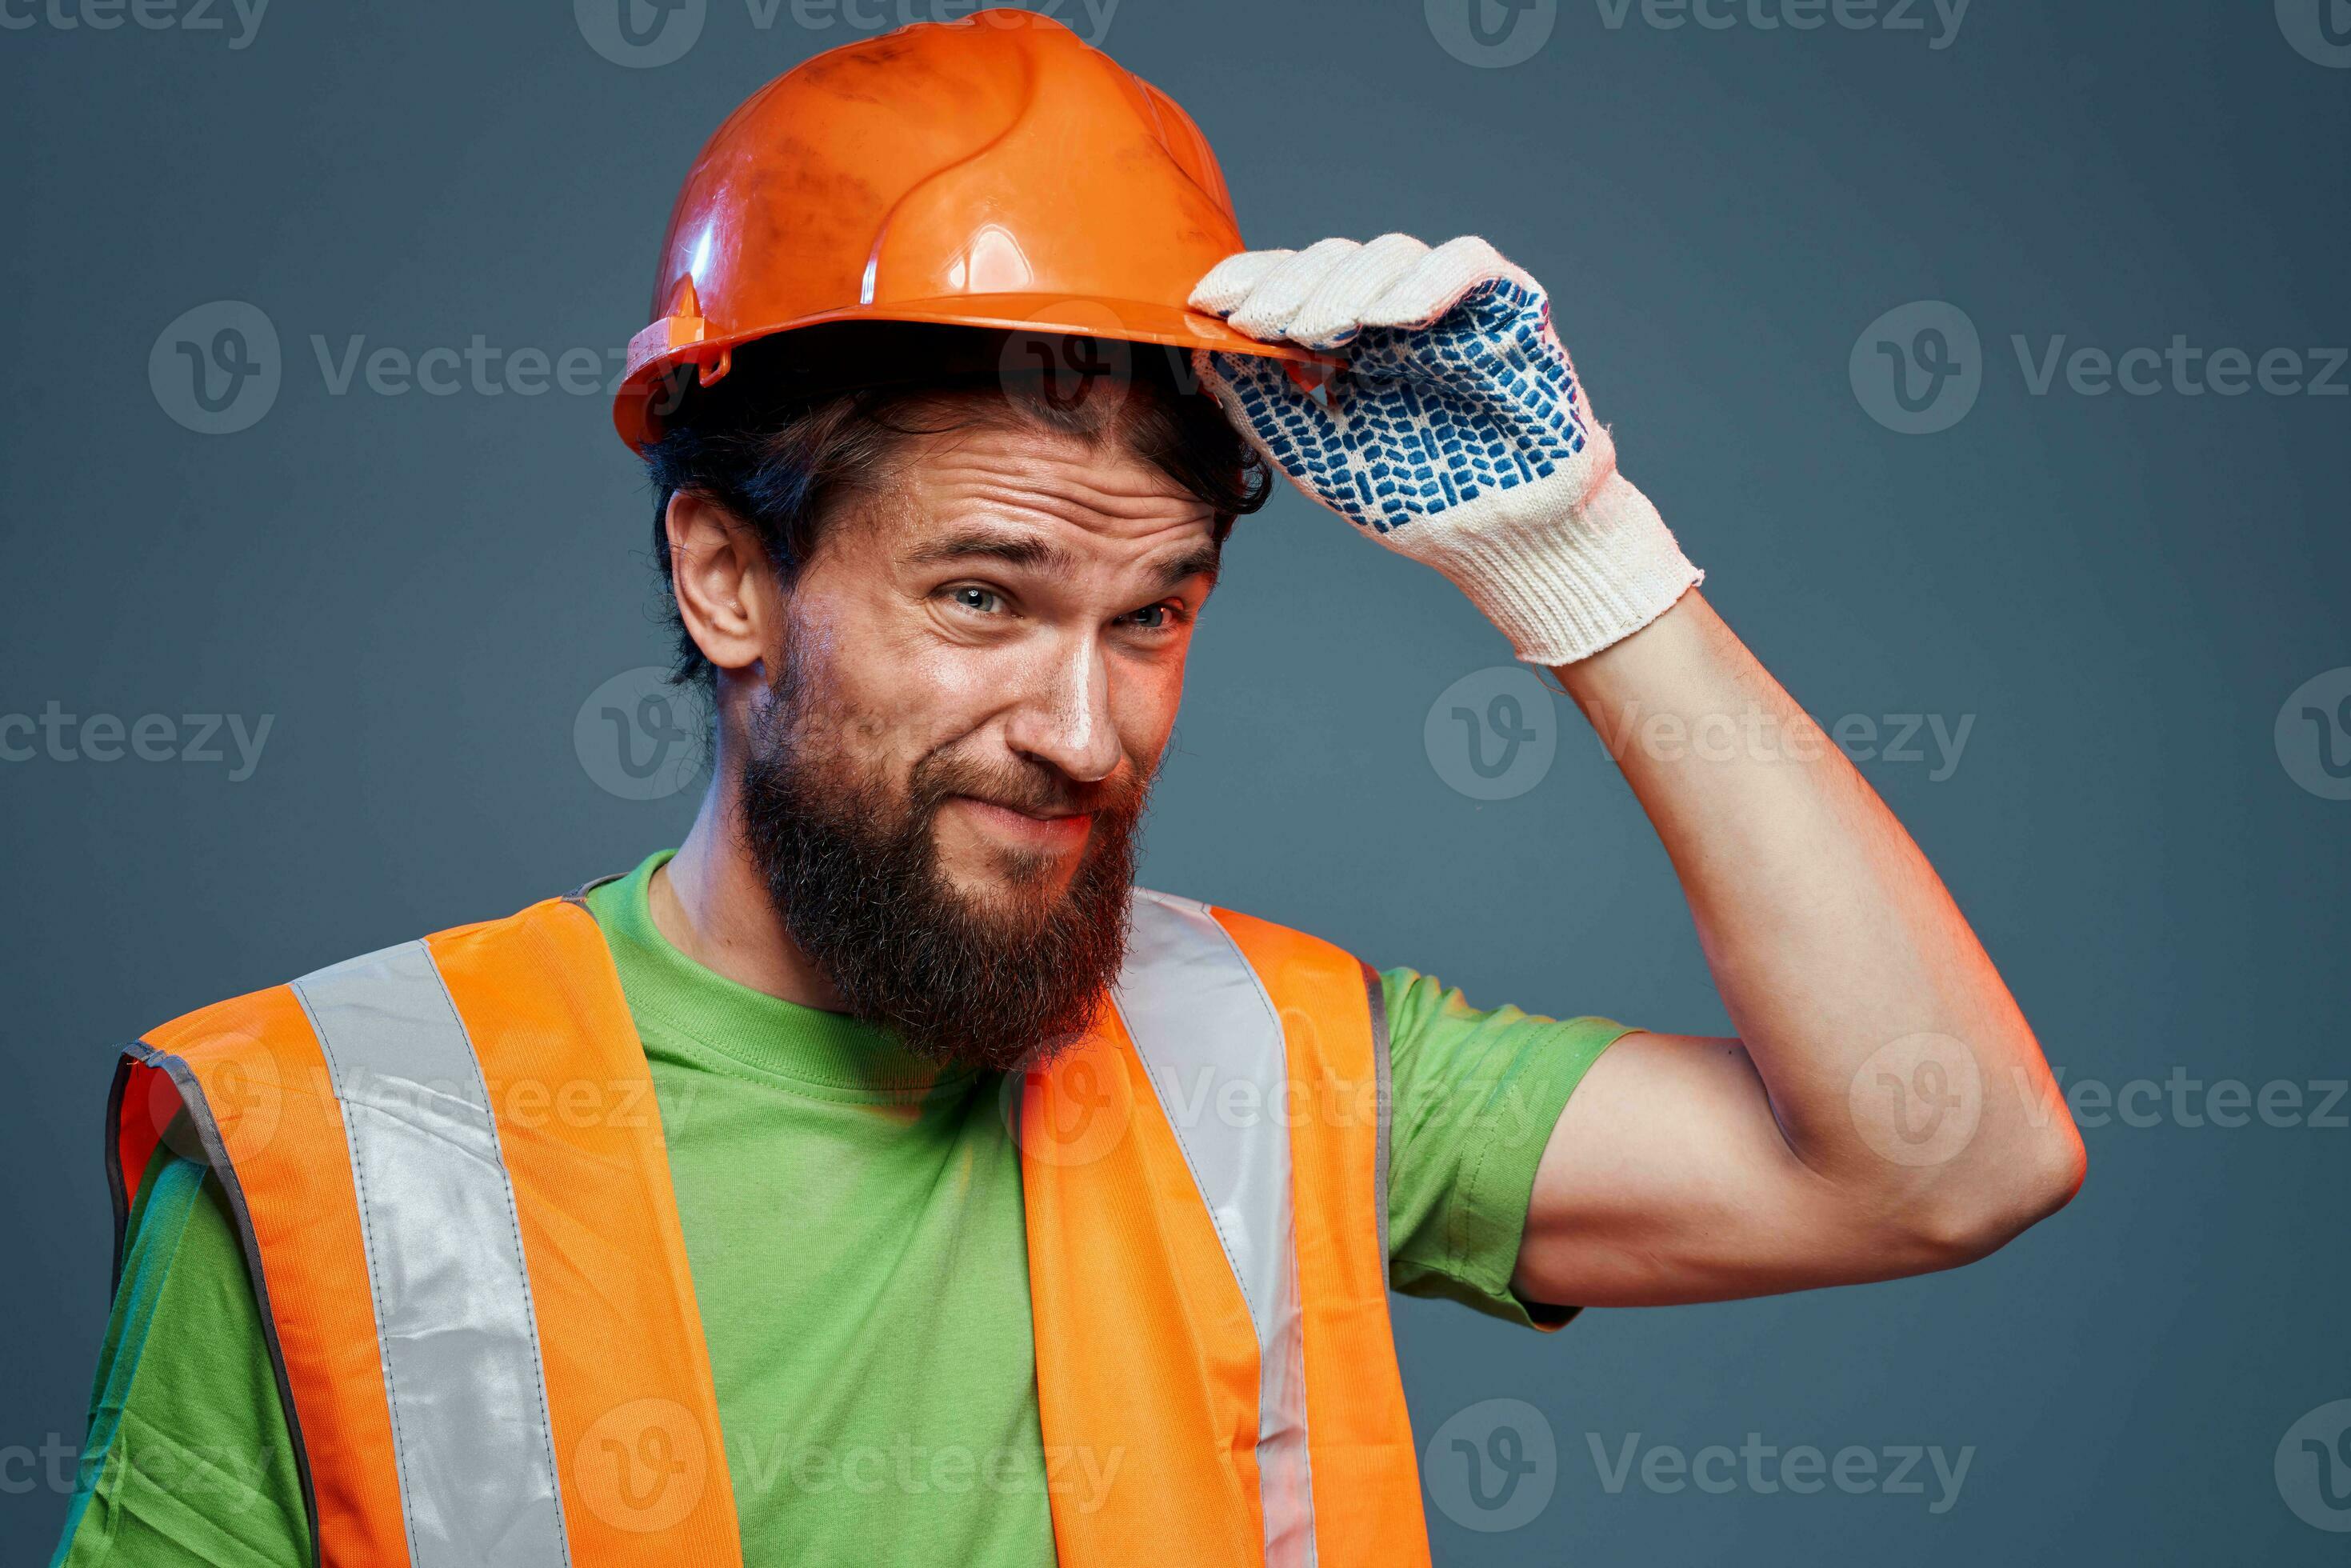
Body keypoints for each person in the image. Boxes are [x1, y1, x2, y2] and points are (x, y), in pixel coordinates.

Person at [53, 12, 2081, 1568]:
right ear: (727, 576)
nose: (1086, 727)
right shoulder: (338, 1137)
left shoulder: (1280, 1064)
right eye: (983, 595)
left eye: (1153, 613)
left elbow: (1948, 1159)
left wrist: (1584, 567)